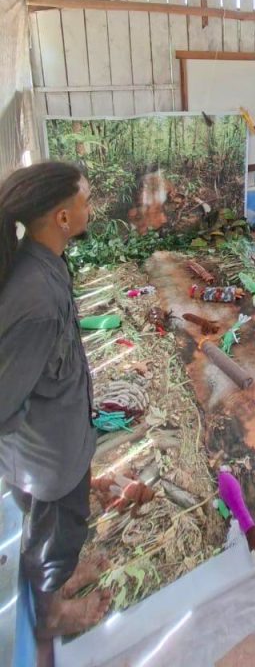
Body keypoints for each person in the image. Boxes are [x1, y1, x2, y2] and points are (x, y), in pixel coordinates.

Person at [0, 162, 110, 637]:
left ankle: (61, 579)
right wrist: (31, 456)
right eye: (86, 200)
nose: (92, 207)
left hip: (57, 449)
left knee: (62, 534)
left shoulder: (44, 263)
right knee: (54, 540)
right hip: (48, 463)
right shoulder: (37, 299)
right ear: (63, 218)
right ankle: (52, 614)